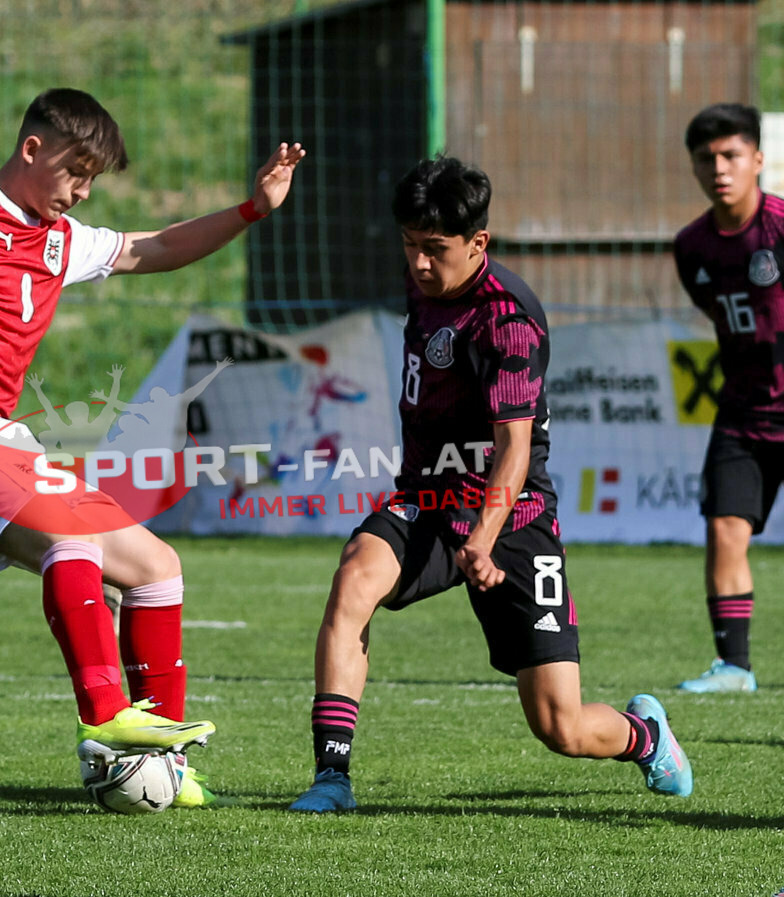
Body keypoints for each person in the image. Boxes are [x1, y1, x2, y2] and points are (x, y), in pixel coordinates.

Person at [0, 87, 305, 807]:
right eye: (75, 173)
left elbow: (157, 246)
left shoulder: (60, 240)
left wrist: (252, 209)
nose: (81, 192)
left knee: (154, 566)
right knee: (69, 538)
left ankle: (164, 760)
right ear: (32, 150)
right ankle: (108, 718)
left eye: (92, 181)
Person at [288, 155, 692, 813]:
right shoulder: (425, 281)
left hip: (513, 516)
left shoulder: (507, 319)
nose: (418, 263)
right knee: (355, 575)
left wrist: (483, 537)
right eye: (409, 245)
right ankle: (332, 777)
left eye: (434, 250)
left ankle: (645, 736)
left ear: (479, 244)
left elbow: (515, 445)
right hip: (427, 496)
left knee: (560, 725)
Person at [673, 103, 784, 693]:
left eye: (731, 155)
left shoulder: (782, 227)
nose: (719, 168)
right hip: (743, 413)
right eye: (706, 158)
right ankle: (734, 669)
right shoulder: (691, 247)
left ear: (758, 160)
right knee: (724, 529)